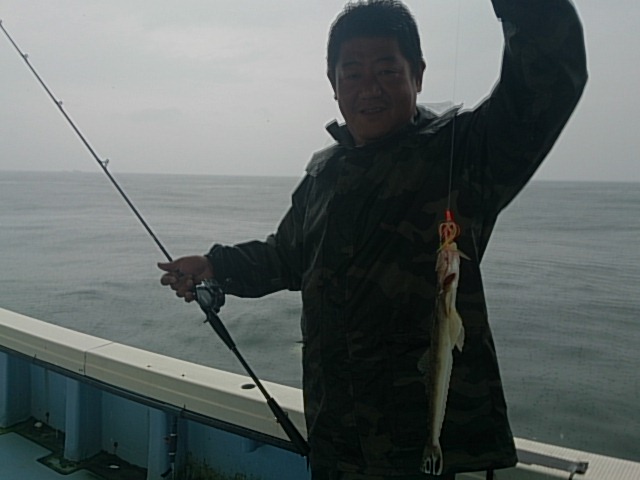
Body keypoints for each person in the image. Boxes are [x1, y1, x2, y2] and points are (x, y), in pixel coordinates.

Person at [158, 1, 587, 478]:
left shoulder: (464, 153)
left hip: (425, 452)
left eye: (387, 70)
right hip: (335, 441)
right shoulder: (324, 174)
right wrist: (215, 266)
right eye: (353, 74)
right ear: (333, 83)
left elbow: (547, 78)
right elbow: (287, 256)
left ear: (417, 74)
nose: (369, 88)